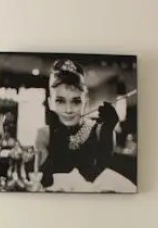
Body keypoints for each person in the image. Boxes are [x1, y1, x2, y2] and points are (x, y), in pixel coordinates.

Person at [34, 59, 136, 193]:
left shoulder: (98, 130)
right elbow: (42, 180)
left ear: (85, 103)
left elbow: (104, 167)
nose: (68, 109)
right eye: (60, 101)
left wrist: (109, 128)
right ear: (50, 103)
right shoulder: (44, 134)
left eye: (76, 101)